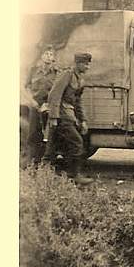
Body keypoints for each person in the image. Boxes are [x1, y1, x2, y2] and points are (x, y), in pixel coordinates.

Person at [47, 52, 94, 185]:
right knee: (77, 143)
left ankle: (63, 175)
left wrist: (83, 120)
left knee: (55, 147)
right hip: (62, 115)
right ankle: (74, 176)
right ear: (77, 63)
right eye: (85, 64)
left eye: (88, 64)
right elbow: (54, 95)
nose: (88, 67)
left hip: (70, 115)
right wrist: (54, 117)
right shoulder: (66, 75)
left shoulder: (80, 79)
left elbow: (78, 102)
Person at [24, 45, 60, 164]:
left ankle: (47, 163)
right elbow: (26, 87)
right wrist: (31, 101)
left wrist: (48, 105)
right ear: (41, 56)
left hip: (49, 106)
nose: (49, 57)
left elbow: (58, 91)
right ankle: (31, 163)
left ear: (54, 58)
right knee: (33, 134)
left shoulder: (57, 72)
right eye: (46, 54)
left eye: (51, 55)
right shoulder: (34, 70)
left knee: (49, 136)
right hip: (35, 105)